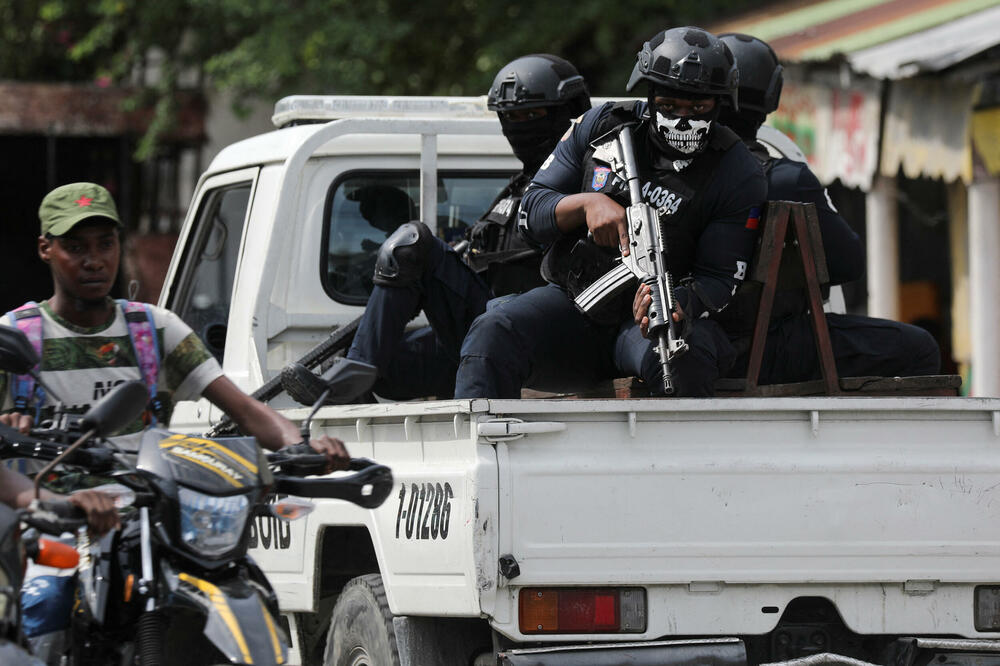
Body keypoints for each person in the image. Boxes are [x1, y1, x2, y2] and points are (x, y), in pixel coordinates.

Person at [454, 27, 767, 398]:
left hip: (647, 326)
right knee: (494, 330)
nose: (683, 118)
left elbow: (718, 278)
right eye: (669, 106)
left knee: (683, 359)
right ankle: (488, 448)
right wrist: (586, 205)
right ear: (649, 95)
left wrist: (677, 300)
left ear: (719, 105)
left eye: (698, 108)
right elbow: (531, 214)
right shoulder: (604, 127)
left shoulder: (735, 170)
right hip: (574, 308)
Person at [634, 33, 940, 383]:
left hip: (665, 337)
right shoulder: (784, 178)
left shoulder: (645, 168)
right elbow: (847, 263)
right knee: (920, 348)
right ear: (771, 95)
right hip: (762, 347)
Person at [0, 182, 350, 467]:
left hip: (144, 528)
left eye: (105, 244)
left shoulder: (154, 330)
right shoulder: (14, 336)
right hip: (47, 533)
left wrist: (300, 446)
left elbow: (244, 410)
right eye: (75, 247)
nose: (94, 261)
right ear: (45, 248)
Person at [343, 55, 591, 399]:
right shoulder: (521, 186)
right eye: (510, 117)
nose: (520, 126)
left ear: (571, 110)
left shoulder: (584, 185)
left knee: (413, 242)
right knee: (374, 366)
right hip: (479, 328)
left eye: (531, 115)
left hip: (529, 333)